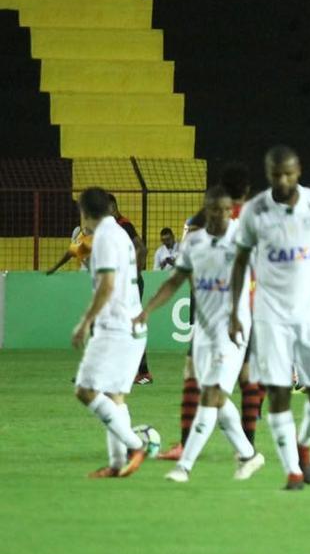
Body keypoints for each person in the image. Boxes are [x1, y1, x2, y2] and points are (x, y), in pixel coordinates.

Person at [228, 146, 310, 491]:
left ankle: (304, 442)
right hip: (270, 316)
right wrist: (235, 311)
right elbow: (239, 263)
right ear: (268, 174)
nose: (282, 181)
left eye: (288, 174)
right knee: (279, 393)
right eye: (276, 175)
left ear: (298, 171)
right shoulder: (255, 211)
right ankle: (292, 471)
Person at [133, 185, 266, 482]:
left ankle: (184, 467)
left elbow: (240, 279)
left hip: (233, 330)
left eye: (225, 210)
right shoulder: (194, 242)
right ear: (207, 210)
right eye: (215, 210)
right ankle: (248, 455)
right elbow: (175, 280)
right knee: (218, 400)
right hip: (204, 330)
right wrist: (147, 309)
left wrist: (235, 316)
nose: (221, 215)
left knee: (211, 395)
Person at [70, 187, 151, 478]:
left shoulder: (104, 237)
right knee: (114, 396)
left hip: (114, 327)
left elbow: (106, 286)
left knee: (85, 390)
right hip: (132, 325)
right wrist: (86, 256)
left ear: (84, 212)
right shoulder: (118, 234)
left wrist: (85, 322)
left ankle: (135, 445)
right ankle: (117, 464)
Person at [107, 193, 154, 385]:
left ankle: (143, 372)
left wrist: (134, 274)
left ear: (112, 207)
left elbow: (142, 248)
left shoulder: (124, 225)